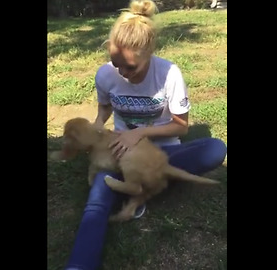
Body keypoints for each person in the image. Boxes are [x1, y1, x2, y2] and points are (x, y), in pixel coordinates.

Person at [64, 1, 227, 269]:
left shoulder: (169, 74)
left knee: (215, 148)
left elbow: (181, 126)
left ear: (149, 53)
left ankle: (140, 186)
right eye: (118, 66)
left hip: (163, 150)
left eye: (131, 68)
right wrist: (98, 122)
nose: (123, 74)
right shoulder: (105, 74)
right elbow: (104, 106)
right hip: (119, 153)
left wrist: (139, 133)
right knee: (96, 203)